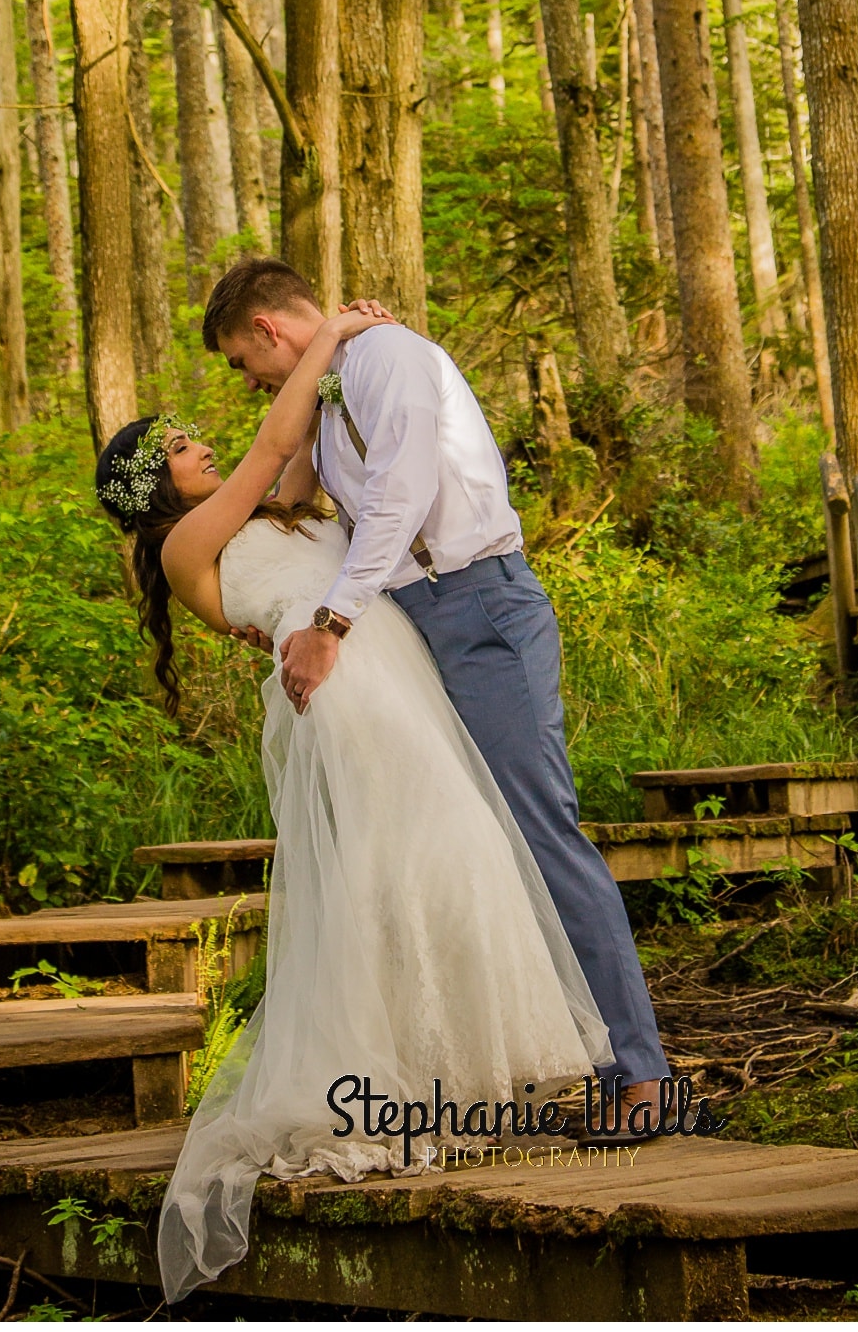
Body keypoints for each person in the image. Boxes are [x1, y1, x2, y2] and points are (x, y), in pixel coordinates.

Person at [97, 300, 610, 1302]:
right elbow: (276, 438)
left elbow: (301, 459)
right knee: (394, 865)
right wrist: (325, 336)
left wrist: (341, 358)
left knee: (454, 852)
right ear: (157, 486)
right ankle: (392, 1083)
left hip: (385, 669)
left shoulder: (260, 513)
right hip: (343, 693)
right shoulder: (186, 542)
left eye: (196, 437)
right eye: (180, 448)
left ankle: (462, 1073)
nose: (200, 447)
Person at [198, 258, 673, 1143]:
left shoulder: (390, 362)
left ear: (266, 330)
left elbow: (400, 496)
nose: (249, 379)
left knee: (539, 831)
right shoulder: (334, 393)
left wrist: (331, 621)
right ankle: (498, 1064)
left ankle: (638, 1072)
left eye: (240, 360)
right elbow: (289, 492)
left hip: (479, 608)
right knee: (463, 841)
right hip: (414, 625)